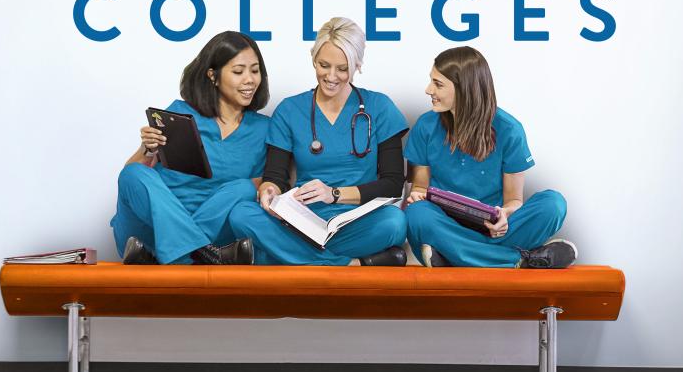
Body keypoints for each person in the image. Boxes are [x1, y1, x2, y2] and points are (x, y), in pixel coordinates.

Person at [230, 17, 408, 266]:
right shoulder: (290, 110)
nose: (331, 76)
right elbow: (276, 176)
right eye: (324, 65)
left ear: (357, 65)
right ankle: (348, 265)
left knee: (394, 222)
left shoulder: (380, 107)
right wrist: (269, 190)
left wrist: (333, 194)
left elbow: (392, 185)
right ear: (313, 58)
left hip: (358, 219)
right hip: (302, 221)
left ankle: (287, 256)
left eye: (342, 68)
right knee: (241, 214)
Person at [405, 46, 576, 268]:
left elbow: (514, 201)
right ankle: (521, 260)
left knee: (554, 204)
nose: (428, 90)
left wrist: (504, 216)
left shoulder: (509, 129)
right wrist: (415, 197)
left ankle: (455, 258)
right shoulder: (425, 126)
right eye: (431, 81)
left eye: (438, 84)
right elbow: (420, 189)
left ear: (464, 89)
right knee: (417, 213)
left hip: (494, 230)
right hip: (446, 226)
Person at [110, 31, 271, 265]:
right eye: (238, 72)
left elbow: (266, 188)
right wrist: (147, 149)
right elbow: (132, 186)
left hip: (215, 232)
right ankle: (194, 252)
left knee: (245, 188)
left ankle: (175, 255)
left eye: (255, 71)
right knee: (133, 173)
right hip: (153, 231)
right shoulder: (179, 113)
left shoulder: (264, 129)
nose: (249, 80)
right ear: (213, 76)